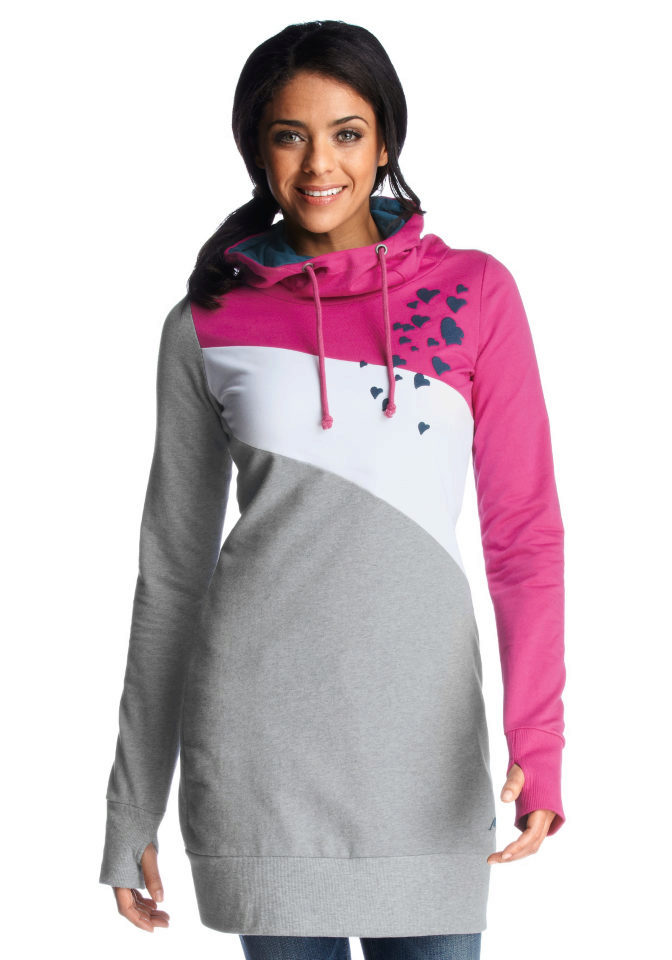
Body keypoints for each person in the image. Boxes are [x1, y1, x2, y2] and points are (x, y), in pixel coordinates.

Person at [98, 19, 566, 960]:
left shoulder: (474, 294)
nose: (319, 163)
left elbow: (524, 536)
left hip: (426, 759)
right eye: (290, 135)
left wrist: (539, 743)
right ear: (256, 149)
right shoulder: (205, 324)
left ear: (385, 141)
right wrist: (132, 803)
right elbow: (172, 575)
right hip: (258, 759)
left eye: (347, 133)